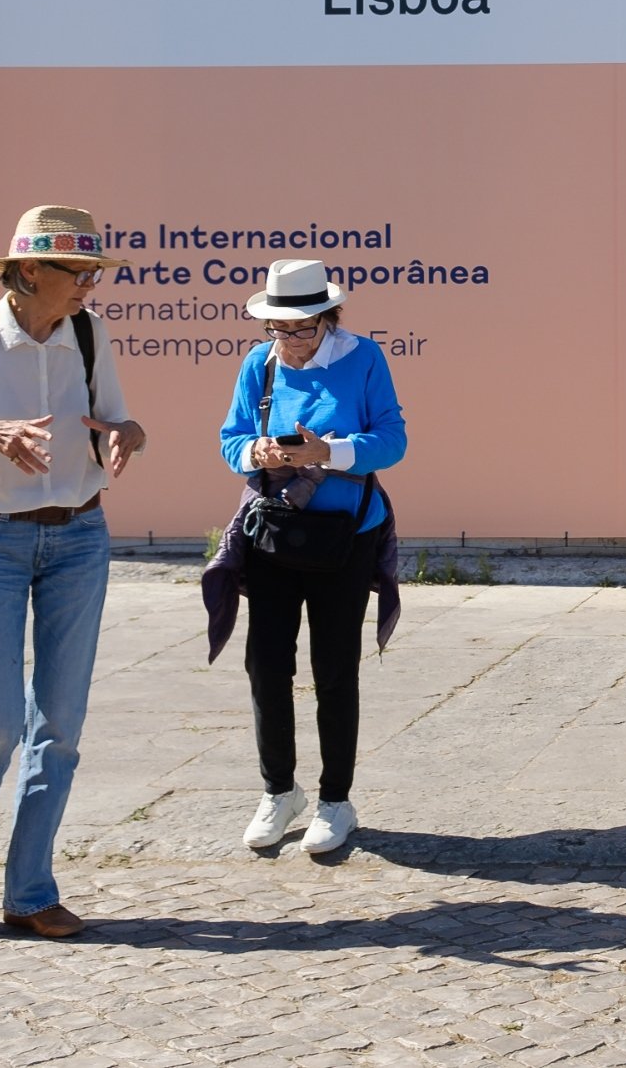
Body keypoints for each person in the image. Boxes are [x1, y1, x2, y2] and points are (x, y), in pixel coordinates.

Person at [0, 207, 143, 944]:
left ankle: (30, 889)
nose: (91, 286)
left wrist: (128, 435)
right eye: (81, 273)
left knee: (61, 724)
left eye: (95, 274)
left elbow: (116, 417)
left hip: (79, 537)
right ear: (32, 270)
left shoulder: (88, 332)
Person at [216, 259, 408, 855]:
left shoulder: (364, 358)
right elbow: (230, 441)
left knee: (334, 667)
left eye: (301, 328)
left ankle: (335, 800)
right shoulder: (259, 364)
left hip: (346, 537)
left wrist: (334, 451)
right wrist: (261, 451)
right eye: (279, 328)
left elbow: (393, 439)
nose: (290, 340)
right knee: (266, 666)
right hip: (276, 534)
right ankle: (279, 791)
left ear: (328, 318)